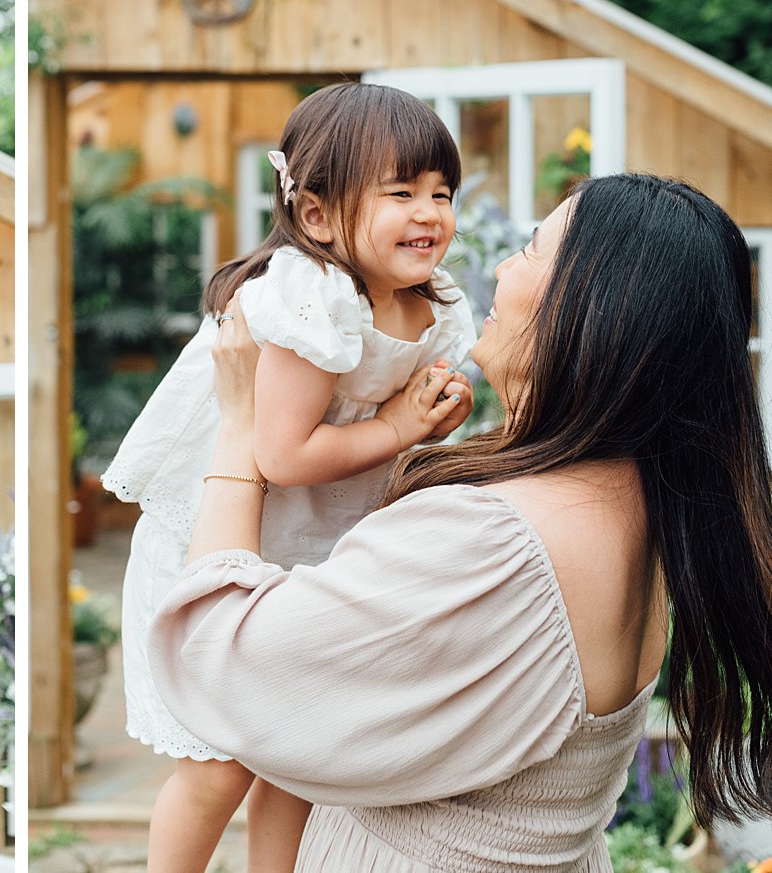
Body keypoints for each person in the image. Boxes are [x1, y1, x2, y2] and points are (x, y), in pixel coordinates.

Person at [152, 173, 772, 870]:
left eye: (532, 250)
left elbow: (222, 665)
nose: (502, 267)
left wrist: (239, 430)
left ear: (594, 309)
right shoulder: (640, 512)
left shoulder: (496, 543)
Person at [103, 82, 477, 872]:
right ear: (315, 215)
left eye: (442, 193)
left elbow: (391, 437)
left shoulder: (432, 306)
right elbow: (283, 455)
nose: (430, 213)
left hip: (309, 558)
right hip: (214, 543)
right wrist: (400, 425)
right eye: (401, 192)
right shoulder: (311, 299)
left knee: (301, 757)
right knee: (218, 766)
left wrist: (435, 418)